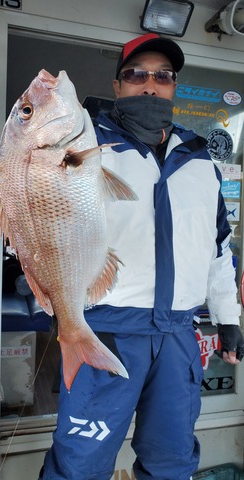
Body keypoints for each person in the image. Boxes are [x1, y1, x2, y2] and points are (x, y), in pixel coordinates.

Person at [39, 32, 244, 479]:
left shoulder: (199, 161)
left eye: (163, 76)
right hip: (107, 330)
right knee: (80, 463)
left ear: (173, 87)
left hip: (177, 336)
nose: (149, 84)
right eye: (136, 74)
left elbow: (216, 249)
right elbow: (39, 213)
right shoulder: (79, 147)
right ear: (117, 86)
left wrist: (229, 318)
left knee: (171, 461)